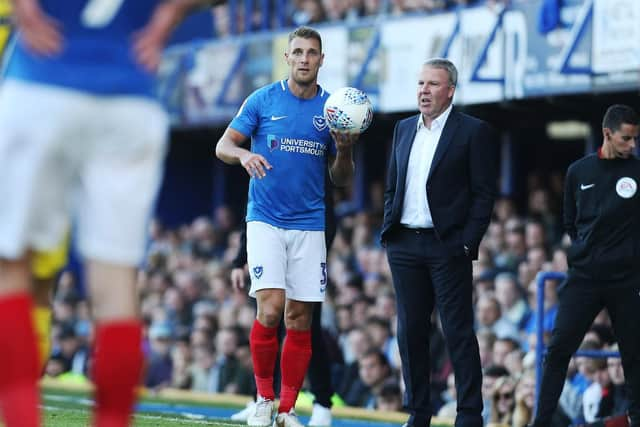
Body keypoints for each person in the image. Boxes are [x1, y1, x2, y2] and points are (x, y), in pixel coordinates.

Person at [0, 1, 215, 426]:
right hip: (129, 96)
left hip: (42, 81)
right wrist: (168, 16)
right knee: (117, 284)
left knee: (12, 270)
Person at [215, 26, 357, 427]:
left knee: (300, 318)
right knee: (271, 307)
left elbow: (342, 178)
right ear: (288, 57)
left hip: (311, 224)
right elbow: (223, 146)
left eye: (312, 53)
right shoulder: (262, 100)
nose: (305, 59)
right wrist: (243, 155)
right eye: (298, 52)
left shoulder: (332, 111)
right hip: (265, 220)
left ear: (321, 60)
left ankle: (288, 410)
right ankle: (264, 399)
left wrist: (345, 150)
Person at [381, 57, 498, 427]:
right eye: (420, 84)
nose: (424, 91)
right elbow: (392, 185)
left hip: (448, 246)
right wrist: (389, 229)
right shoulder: (402, 128)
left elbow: (483, 194)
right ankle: (417, 415)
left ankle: (468, 416)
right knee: (410, 332)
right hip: (405, 245)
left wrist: (467, 243)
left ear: (450, 90)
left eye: (432, 84)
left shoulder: (473, 131)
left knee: (458, 331)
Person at [531, 104, 640, 427]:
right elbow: (570, 221)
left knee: (634, 354)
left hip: (626, 279)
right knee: (558, 350)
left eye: (636, 139)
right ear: (607, 134)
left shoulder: (638, 172)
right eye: (626, 139)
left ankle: (636, 417)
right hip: (585, 279)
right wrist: (589, 252)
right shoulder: (579, 171)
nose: (632, 145)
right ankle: (543, 420)